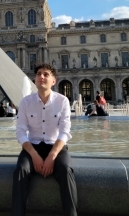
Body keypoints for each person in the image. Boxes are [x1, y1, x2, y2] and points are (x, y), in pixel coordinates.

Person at [12, 63, 78, 216]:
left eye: (46, 74)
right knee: (21, 170)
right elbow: (20, 132)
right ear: (34, 79)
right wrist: (34, 155)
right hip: (32, 147)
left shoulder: (62, 101)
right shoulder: (25, 102)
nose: (41, 77)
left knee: (66, 170)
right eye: (38, 74)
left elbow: (65, 132)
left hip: (56, 147)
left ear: (53, 81)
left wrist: (52, 156)